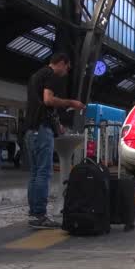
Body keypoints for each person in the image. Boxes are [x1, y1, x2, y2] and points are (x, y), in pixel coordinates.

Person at [25, 53, 85, 229]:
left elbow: (42, 106)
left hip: (31, 130)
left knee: (35, 173)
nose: (67, 71)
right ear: (60, 63)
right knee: (44, 172)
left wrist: (56, 126)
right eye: (67, 67)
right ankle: (40, 215)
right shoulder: (51, 75)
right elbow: (48, 100)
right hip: (41, 131)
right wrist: (71, 103)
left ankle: (34, 213)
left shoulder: (36, 76)